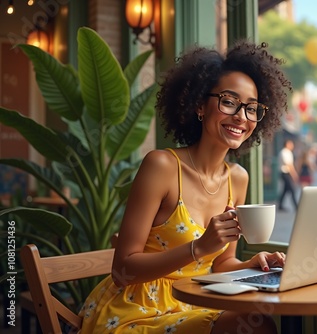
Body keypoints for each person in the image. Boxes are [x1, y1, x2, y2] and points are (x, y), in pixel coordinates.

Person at [78, 41, 291, 334]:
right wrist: (198, 247)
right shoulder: (161, 167)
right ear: (200, 106)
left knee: (256, 323)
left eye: (252, 108)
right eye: (229, 102)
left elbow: (221, 263)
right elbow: (122, 271)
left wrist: (252, 264)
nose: (242, 116)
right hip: (138, 311)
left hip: (196, 304)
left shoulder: (237, 178)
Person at [278, 139, 299, 211]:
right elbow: (289, 165)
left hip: (286, 173)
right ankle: (296, 206)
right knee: (292, 189)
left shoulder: (287, 152)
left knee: (285, 190)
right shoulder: (285, 152)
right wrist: (294, 175)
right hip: (286, 173)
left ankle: (280, 205)